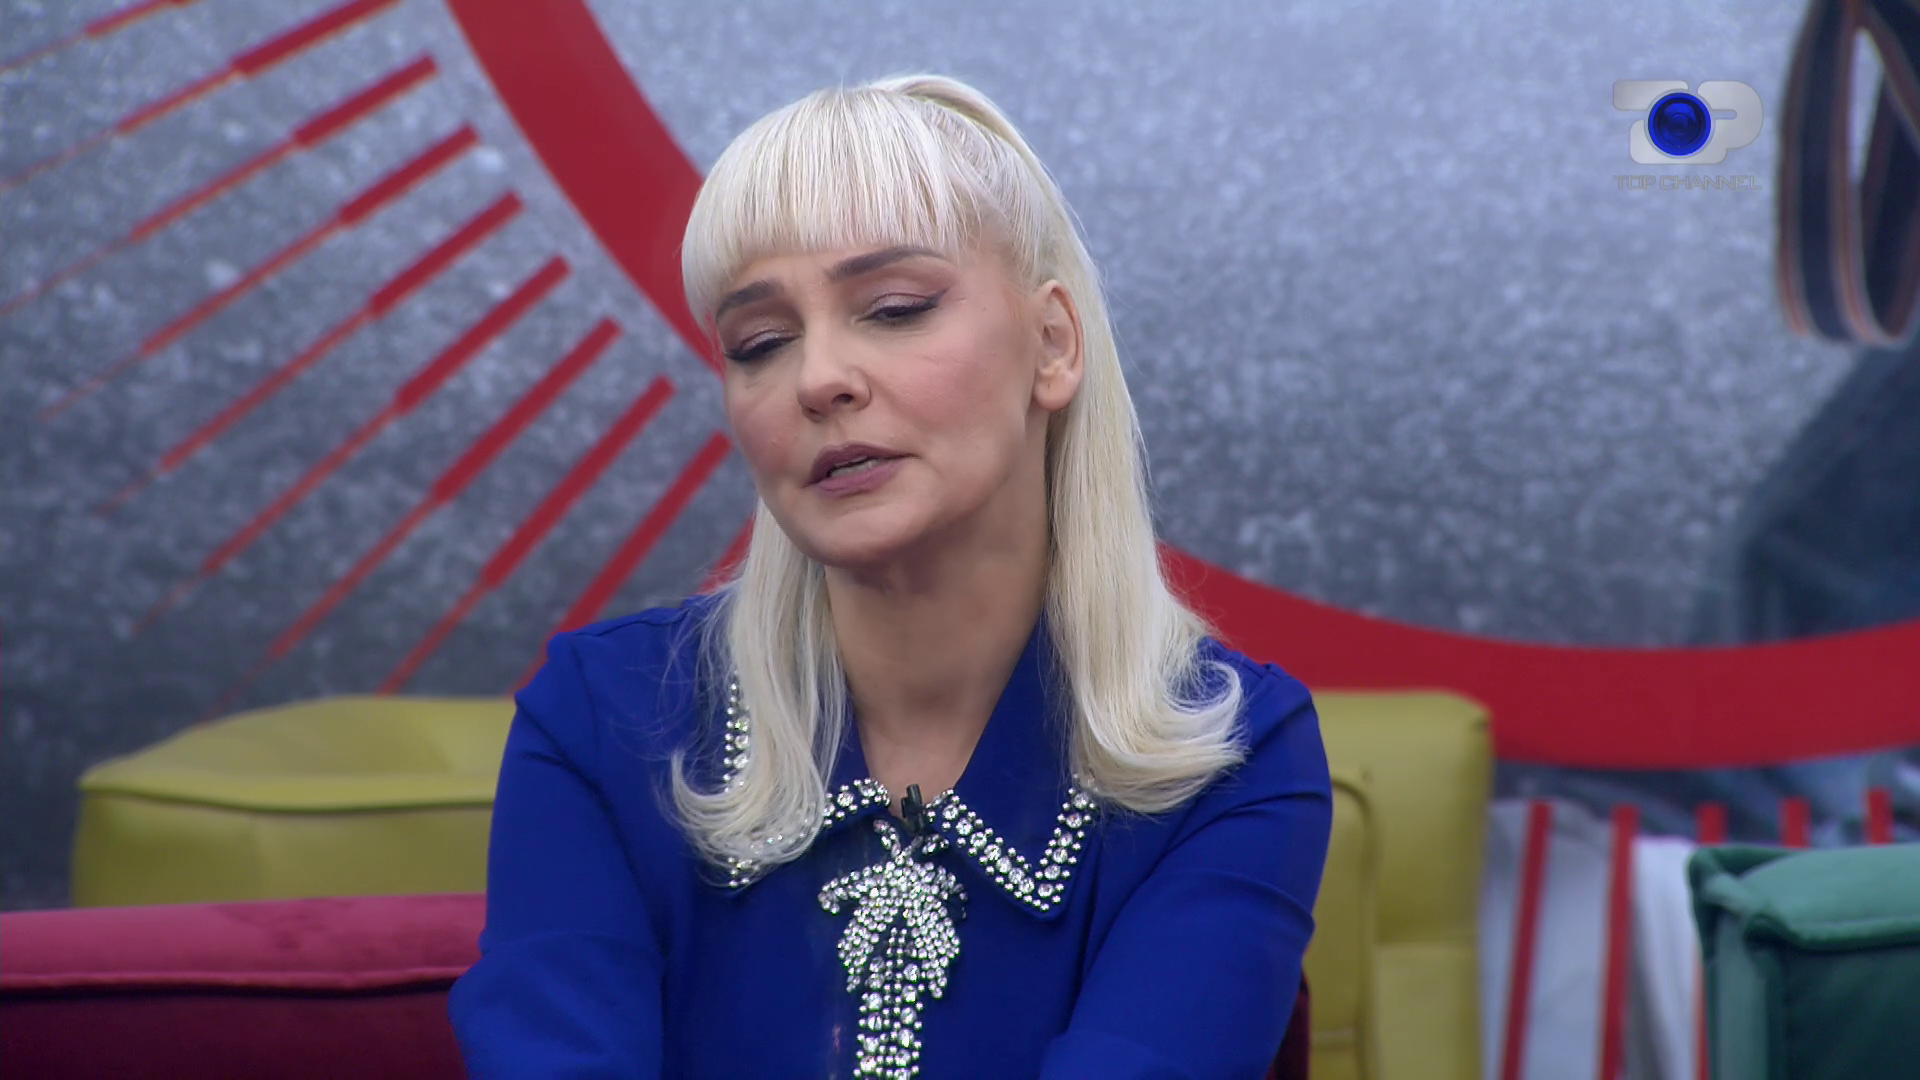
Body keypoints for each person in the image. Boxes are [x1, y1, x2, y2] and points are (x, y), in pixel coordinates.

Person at [448, 73, 1332, 1079]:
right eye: (760, 343)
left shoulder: (1231, 756)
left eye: (895, 308)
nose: (819, 378)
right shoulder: (602, 719)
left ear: (1053, 345)